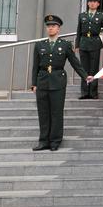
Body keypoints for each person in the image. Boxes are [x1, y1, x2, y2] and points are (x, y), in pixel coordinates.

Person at [31, 15, 93, 152]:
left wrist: (85, 76)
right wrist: (33, 83)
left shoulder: (65, 45)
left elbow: (75, 62)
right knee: (43, 113)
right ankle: (43, 141)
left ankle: (55, 141)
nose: (50, 28)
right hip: (42, 82)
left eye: (53, 26)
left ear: (58, 29)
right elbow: (35, 66)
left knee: (56, 112)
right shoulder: (40, 45)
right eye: (48, 26)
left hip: (58, 82)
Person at [75, 0, 103, 99]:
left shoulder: (101, 16)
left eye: (94, 2)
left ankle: (93, 92)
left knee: (94, 69)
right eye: (90, 1)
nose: (92, 3)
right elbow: (79, 31)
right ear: (88, 3)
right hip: (83, 43)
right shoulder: (82, 15)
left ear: (98, 4)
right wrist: (77, 45)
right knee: (84, 69)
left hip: (95, 43)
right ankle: (84, 92)